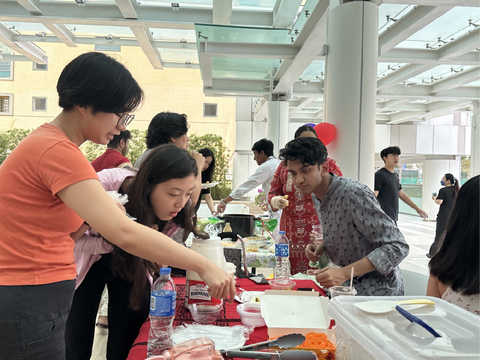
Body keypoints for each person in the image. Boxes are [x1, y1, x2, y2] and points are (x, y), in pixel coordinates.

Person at [0, 52, 235, 360]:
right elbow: (125, 233)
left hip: (35, 293)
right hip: (27, 295)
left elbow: (59, 235)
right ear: (85, 105)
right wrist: (204, 265)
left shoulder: (52, 146)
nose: (121, 128)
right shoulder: (57, 151)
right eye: (119, 115)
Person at [66, 145, 203, 360]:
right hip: (87, 261)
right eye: (173, 193)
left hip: (131, 263)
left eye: (188, 193)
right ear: (148, 186)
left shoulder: (177, 211)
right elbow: (69, 241)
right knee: (76, 337)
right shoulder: (105, 184)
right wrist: (115, 242)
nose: (180, 202)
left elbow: (157, 250)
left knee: (128, 333)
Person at [280, 137, 409, 296]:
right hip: (348, 289)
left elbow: (398, 246)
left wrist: (344, 273)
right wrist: (323, 246)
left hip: (378, 294)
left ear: (324, 167)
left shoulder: (352, 193)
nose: (298, 180)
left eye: (305, 170)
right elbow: (349, 231)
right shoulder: (317, 195)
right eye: (293, 173)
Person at [268, 125, 343, 274]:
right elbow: (272, 192)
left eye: (313, 141)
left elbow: (338, 196)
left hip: (316, 229)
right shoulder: (284, 167)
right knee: (290, 276)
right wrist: (275, 200)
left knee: (319, 274)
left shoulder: (328, 165)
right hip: (290, 231)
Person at [426, 175, 479, 315]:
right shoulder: (454, 190)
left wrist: (433, 198)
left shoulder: (443, 267)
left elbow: (430, 320)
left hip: (444, 217)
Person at [134, 112, 203, 207]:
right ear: (173, 137)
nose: (188, 139)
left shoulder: (145, 156)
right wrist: (198, 165)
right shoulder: (169, 159)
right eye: (185, 134)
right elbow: (191, 201)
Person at [216, 139, 281, 230]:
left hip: (278, 214)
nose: (254, 158)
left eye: (255, 154)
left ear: (262, 153)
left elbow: (246, 187)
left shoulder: (267, 166)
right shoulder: (278, 163)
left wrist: (224, 201)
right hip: (280, 211)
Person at [374, 146, 428, 223]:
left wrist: (417, 208)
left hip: (393, 216)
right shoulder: (380, 175)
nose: (396, 158)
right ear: (385, 158)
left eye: (397, 155)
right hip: (382, 217)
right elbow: (374, 196)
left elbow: (401, 194)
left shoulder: (395, 176)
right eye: (393, 155)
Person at [428, 173, 460, 258]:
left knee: (440, 233)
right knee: (451, 233)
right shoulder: (456, 189)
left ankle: (433, 252)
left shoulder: (443, 190)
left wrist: (434, 198)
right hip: (454, 214)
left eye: (443, 179)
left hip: (444, 215)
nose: (442, 180)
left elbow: (439, 202)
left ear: (448, 181)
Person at [194, 148, 216, 215]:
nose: (206, 166)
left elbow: (208, 196)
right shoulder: (189, 172)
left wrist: (213, 212)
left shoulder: (204, 175)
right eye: (205, 162)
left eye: (209, 164)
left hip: (194, 210)